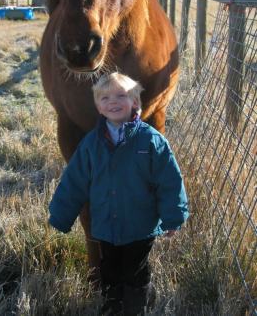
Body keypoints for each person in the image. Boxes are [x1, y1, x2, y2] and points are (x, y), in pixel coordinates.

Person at [48, 72, 189, 315]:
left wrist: (173, 217)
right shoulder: (91, 144)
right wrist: (61, 215)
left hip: (140, 226)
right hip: (105, 225)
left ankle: (136, 307)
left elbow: (169, 181)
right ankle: (112, 305)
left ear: (135, 102)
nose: (113, 101)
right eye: (105, 98)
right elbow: (74, 181)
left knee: (135, 271)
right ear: (98, 107)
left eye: (121, 96)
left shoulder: (151, 141)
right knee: (110, 269)